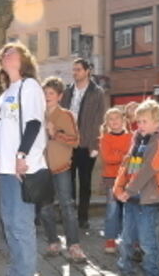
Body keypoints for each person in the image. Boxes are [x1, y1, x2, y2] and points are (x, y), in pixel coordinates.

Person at [0, 42, 47, 276]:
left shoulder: (29, 86)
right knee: (8, 224)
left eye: (13, 53)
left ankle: (26, 272)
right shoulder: (4, 95)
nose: (7, 55)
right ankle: (16, 270)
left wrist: (22, 155)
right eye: (4, 53)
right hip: (6, 170)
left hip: (23, 168)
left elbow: (33, 123)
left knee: (21, 226)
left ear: (24, 60)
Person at [114, 99, 159, 276]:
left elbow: (147, 171)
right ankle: (125, 270)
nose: (140, 125)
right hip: (131, 199)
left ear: (157, 124)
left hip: (149, 201)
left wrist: (129, 190)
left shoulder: (158, 145)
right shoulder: (136, 142)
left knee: (148, 242)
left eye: (145, 121)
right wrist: (119, 188)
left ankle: (152, 271)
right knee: (126, 239)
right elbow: (126, 167)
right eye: (139, 121)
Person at [40, 77, 87, 263]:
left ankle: (74, 245)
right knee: (44, 208)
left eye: (51, 93)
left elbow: (75, 141)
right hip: (42, 169)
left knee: (67, 206)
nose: (47, 96)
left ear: (59, 96)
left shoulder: (66, 115)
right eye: (45, 93)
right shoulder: (37, 114)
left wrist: (55, 133)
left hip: (61, 168)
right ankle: (53, 241)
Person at [60, 58, 106, 229]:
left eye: (78, 69)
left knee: (85, 182)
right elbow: (61, 116)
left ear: (87, 71)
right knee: (68, 182)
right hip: (68, 143)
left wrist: (95, 144)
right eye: (74, 70)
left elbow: (99, 119)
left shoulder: (97, 92)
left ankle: (83, 217)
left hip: (86, 143)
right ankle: (69, 216)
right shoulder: (67, 92)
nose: (75, 72)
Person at [99, 107, 132, 253]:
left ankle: (131, 238)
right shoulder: (105, 138)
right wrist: (123, 156)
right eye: (110, 119)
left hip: (128, 178)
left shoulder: (131, 137)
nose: (114, 121)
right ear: (107, 122)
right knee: (112, 209)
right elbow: (108, 158)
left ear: (123, 120)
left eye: (117, 118)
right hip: (111, 178)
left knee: (129, 210)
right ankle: (110, 238)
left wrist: (119, 155)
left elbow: (132, 158)